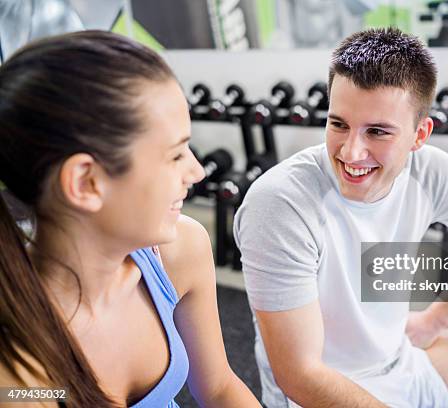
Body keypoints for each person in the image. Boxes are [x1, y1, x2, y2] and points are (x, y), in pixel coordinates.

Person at [234, 27, 448, 407]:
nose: (351, 152)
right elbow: (300, 376)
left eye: (377, 132)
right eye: (338, 124)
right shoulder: (281, 203)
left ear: (419, 134)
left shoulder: (430, 173)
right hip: (319, 394)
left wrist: (436, 319)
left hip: (400, 364)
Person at [0, 30, 260, 408]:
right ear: (86, 182)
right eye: (175, 155)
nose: (198, 171)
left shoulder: (180, 251)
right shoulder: (16, 367)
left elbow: (219, 387)